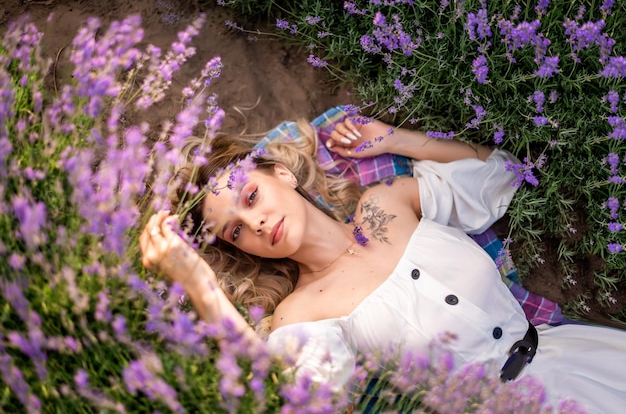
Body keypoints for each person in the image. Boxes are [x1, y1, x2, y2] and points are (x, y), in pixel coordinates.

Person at [140, 111, 626, 413]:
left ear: (282, 175)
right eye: (236, 231)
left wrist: (395, 140)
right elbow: (293, 401)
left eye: (251, 196)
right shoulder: (302, 313)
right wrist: (200, 285)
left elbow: (498, 173)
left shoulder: (383, 204)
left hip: (577, 358)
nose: (258, 223)